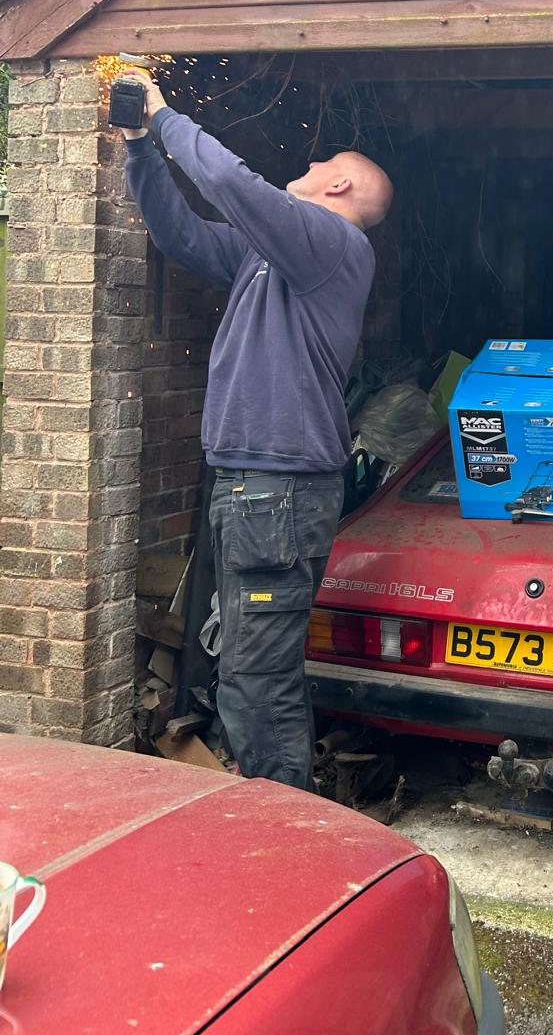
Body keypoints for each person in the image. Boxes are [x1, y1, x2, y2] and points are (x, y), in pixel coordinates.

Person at [119, 67, 393, 789]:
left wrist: (166, 116)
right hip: (257, 486)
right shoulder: (268, 254)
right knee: (253, 666)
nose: (308, 162)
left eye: (321, 161)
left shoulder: (332, 244)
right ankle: (284, 809)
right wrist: (141, 147)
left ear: (339, 186)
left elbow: (232, 184)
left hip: (278, 488)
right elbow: (179, 233)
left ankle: (282, 827)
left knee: (254, 677)